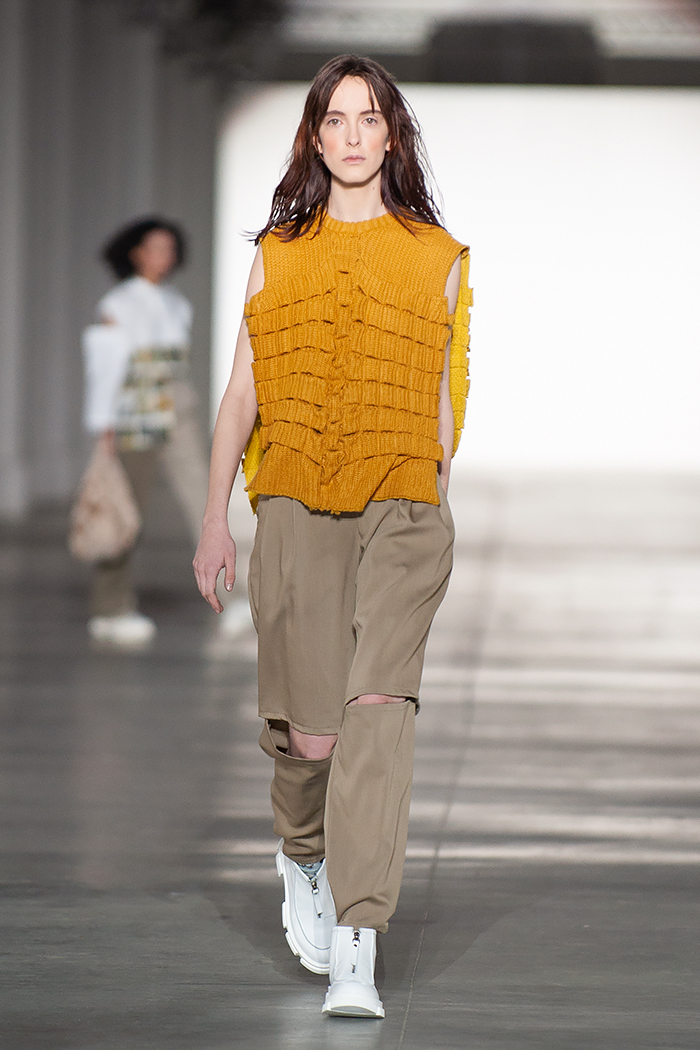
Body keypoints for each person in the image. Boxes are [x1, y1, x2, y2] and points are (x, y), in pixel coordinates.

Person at [193, 54, 471, 1017]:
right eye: (336, 119)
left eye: (370, 118)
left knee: (377, 712)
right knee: (313, 736)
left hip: (403, 507)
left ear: (392, 136)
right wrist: (215, 519)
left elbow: (444, 400)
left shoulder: (439, 256)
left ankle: (360, 936)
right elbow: (243, 393)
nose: (354, 135)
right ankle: (304, 855)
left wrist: (436, 495)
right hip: (297, 503)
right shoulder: (280, 254)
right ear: (315, 137)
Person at [83, 217, 212, 646]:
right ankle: (110, 605)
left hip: (177, 407)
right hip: (134, 413)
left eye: (170, 248)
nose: (165, 256)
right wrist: (103, 424)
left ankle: (231, 595)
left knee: (202, 497)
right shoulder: (118, 303)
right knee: (126, 506)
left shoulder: (177, 302)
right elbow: (105, 367)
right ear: (136, 252)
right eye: (156, 247)